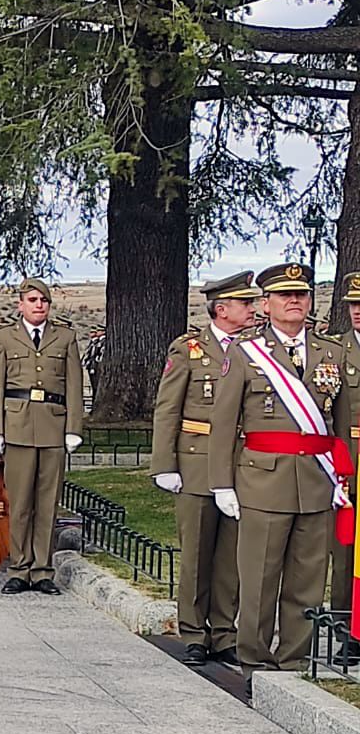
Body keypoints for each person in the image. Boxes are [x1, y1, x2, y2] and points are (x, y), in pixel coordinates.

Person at [209, 263, 350, 693]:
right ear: (265, 304)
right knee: (259, 578)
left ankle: (293, 661)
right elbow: (224, 422)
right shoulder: (246, 353)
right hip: (262, 481)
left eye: (303, 294)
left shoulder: (331, 353)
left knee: (307, 579)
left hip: (316, 480)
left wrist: (344, 479)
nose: (296, 301)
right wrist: (222, 483)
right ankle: (253, 659)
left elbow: (340, 426)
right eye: (285, 295)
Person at [149, 272, 256, 668]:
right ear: (221, 308)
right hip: (195, 463)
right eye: (245, 304)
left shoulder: (254, 350)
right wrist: (164, 464)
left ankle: (225, 632)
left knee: (231, 555)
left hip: (239, 463)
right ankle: (194, 632)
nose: (252, 310)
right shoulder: (189, 350)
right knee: (196, 552)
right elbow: (168, 409)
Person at [0, 279, 84, 595]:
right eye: (32, 299)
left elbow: (74, 385)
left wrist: (73, 428)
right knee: (20, 502)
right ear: (20, 304)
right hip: (17, 426)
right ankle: (19, 568)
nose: (38, 305)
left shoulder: (65, 337)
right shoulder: (4, 338)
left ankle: (42, 570)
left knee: (47, 502)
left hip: (53, 425)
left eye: (44, 300)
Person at [332, 271, 360, 662]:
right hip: (350, 456)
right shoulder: (336, 351)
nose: (358, 312)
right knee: (346, 546)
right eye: (353, 306)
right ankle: (345, 628)